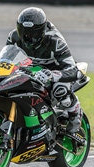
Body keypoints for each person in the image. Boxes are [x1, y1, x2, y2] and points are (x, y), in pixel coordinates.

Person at [6, 7, 86, 142]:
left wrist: (52, 75)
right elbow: (6, 59)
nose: (28, 38)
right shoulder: (13, 37)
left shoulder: (55, 41)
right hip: (30, 70)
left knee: (60, 91)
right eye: (24, 33)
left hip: (56, 73)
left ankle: (75, 116)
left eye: (33, 34)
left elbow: (73, 70)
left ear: (42, 31)